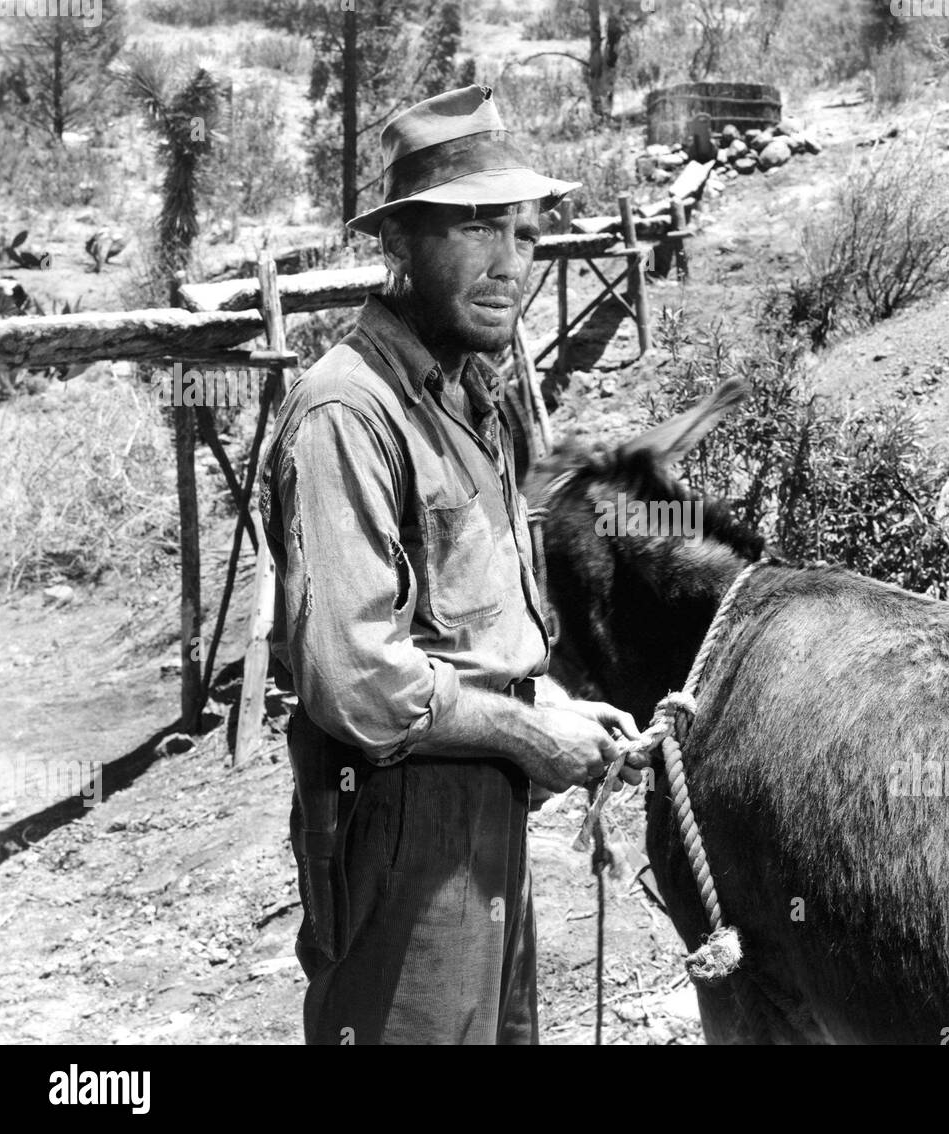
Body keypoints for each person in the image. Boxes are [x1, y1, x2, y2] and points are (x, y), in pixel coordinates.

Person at [260, 84, 646, 1045]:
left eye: (521, 233)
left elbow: (469, 621)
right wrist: (522, 734)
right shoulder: (349, 414)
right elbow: (356, 680)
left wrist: (543, 703)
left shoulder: (468, 395)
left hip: (486, 807)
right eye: (474, 229)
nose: (508, 263)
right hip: (394, 815)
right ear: (397, 245)